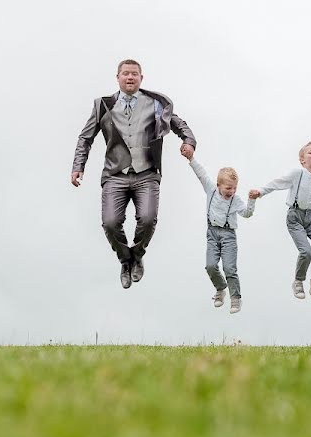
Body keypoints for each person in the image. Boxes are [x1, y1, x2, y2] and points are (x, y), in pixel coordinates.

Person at [71, 59, 196, 289]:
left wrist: (188, 141)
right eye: (126, 74)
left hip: (146, 173)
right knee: (110, 222)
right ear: (117, 77)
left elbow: (178, 123)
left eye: (135, 74)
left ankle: (137, 255)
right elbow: (85, 138)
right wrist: (78, 165)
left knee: (148, 220)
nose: (130, 77)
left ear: (141, 78)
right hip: (115, 174)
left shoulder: (154, 103)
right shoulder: (103, 105)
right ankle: (125, 259)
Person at [250, 142, 311, 300]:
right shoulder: (297, 174)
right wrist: (260, 192)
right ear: (302, 160)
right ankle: (298, 281)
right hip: (295, 217)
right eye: (310, 152)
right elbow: (277, 183)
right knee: (306, 252)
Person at [184, 154, 256, 314]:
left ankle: (235, 298)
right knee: (210, 266)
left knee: (229, 268)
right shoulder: (211, 190)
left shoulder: (235, 200)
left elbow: (247, 213)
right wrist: (191, 159)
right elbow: (201, 174)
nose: (232, 191)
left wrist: (251, 200)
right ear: (218, 185)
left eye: (234, 188)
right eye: (228, 188)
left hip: (229, 235)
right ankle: (220, 288)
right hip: (212, 234)